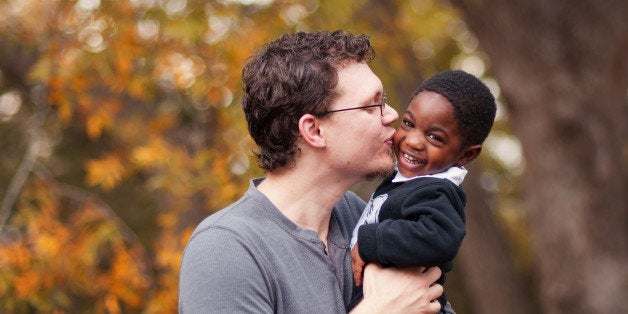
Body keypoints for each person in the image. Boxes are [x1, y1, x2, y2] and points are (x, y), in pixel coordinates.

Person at [178, 30, 445, 313]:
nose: (391, 114)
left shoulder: (361, 217)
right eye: (371, 105)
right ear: (314, 130)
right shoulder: (225, 249)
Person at [349, 70, 497, 313]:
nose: (413, 141)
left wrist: (371, 240)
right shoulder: (405, 181)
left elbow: (439, 237)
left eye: (434, 137)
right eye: (408, 124)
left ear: (466, 154)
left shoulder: (436, 190)